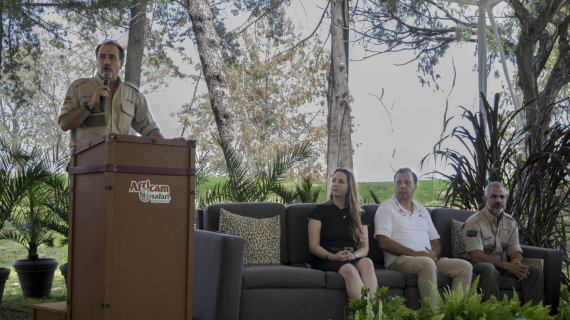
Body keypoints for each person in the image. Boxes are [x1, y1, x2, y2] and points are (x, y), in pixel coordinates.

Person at [374, 167, 472, 310]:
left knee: (464, 267)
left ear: (414, 187)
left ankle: (454, 313)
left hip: (427, 259)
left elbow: (435, 242)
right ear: (394, 186)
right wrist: (418, 254)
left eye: (407, 182)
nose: (402, 186)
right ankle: (433, 315)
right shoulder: (386, 208)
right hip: (398, 260)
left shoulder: (422, 210)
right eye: (398, 182)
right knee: (426, 263)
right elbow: (384, 242)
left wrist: (435, 255)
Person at [59, 39, 163, 148]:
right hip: (87, 161)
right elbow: (65, 124)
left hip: (123, 161)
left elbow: (149, 129)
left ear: (121, 63)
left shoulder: (133, 94)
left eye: (112, 58)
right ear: (97, 61)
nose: (106, 61)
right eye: (102, 57)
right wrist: (89, 104)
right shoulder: (79, 88)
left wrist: (169, 148)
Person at [460, 182, 544, 304]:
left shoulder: (510, 222)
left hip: (499, 265)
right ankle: (492, 313)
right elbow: (476, 256)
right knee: (489, 268)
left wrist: (517, 264)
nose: (498, 200)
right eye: (493, 196)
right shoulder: (474, 222)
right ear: (485, 199)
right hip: (475, 265)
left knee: (533, 271)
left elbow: (514, 250)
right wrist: (507, 265)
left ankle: (535, 314)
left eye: (502, 197)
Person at [308, 168, 378, 300]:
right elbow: (313, 246)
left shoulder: (359, 214)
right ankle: (371, 315)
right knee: (350, 270)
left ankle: (372, 313)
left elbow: (365, 248)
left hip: (351, 256)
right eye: (334, 180)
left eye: (341, 182)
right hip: (326, 258)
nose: (335, 184)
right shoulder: (319, 211)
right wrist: (333, 257)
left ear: (349, 187)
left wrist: (354, 255)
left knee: (367, 263)